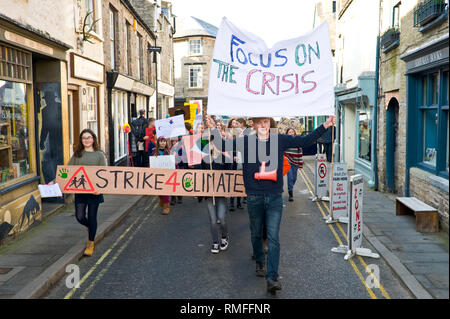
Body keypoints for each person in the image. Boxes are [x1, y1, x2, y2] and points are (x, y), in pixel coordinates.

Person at [206, 114, 336, 293]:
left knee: (273, 237)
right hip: (253, 197)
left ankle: (272, 277)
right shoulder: (246, 141)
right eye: (259, 122)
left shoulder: (279, 139)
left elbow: (305, 141)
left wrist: (325, 125)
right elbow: (222, 145)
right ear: (253, 124)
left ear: (270, 123)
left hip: (274, 196)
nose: (262, 125)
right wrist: (213, 128)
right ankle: (260, 260)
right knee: (256, 233)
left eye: (265, 122)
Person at [49, 129, 107, 257]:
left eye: (89, 137)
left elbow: (104, 174)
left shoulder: (99, 155)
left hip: (94, 192)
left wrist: (100, 189)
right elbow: (66, 172)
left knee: (92, 217)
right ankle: (92, 228)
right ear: (81, 140)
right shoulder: (77, 155)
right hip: (80, 191)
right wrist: (54, 181)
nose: (86, 140)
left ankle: (90, 243)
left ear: (93, 139)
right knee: (80, 217)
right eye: (84, 138)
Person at [204, 115, 232, 253]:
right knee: (213, 220)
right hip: (210, 192)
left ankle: (224, 237)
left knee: (221, 218)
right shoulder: (205, 156)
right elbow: (199, 173)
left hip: (221, 192)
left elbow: (230, 173)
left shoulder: (224, 156)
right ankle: (215, 241)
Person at [152, 137, 171, 214]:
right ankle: (161, 199)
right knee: (159, 190)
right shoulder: (154, 151)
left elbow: (172, 162)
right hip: (158, 173)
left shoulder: (169, 151)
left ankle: (166, 207)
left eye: (164, 141)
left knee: (165, 191)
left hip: (167, 174)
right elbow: (151, 162)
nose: (163, 143)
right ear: (158, 143)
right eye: (161, 141)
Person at [284, 128, 303, 202]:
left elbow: (300, 154)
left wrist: (300, 165)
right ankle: (290, 193)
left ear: (294, 133)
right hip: (288, 161)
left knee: (294, 178)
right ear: (287, 133)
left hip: (295, 162)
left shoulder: (298, 142)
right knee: (290, 177)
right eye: (289, 132)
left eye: (292, 132)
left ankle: (291, 186)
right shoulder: (285, 141)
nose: (291, 133)